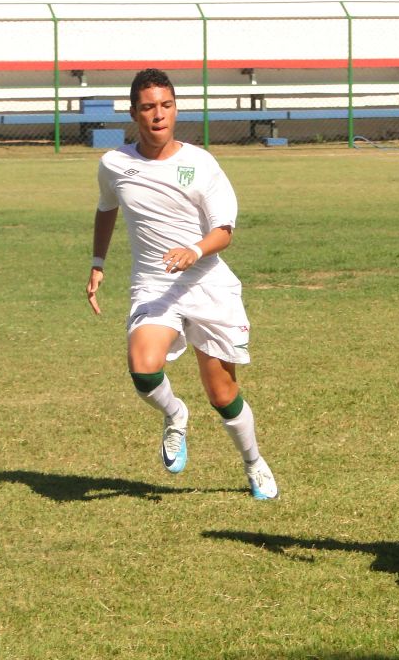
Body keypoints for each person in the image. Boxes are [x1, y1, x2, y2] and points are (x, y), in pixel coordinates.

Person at [86, 68, 278, 500]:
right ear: (134, 113)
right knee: (143, 367)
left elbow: (224, 230)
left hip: (207, 284)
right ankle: (175, 415)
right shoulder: (115, 164)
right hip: (154, 286)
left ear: (176, 109)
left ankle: (254, 463)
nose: (159, 116)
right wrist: (98, 262)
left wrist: (195, 249)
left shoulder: (200, 163)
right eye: (149, 107)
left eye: (167, 106)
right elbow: (106, 208)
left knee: (221, 391)